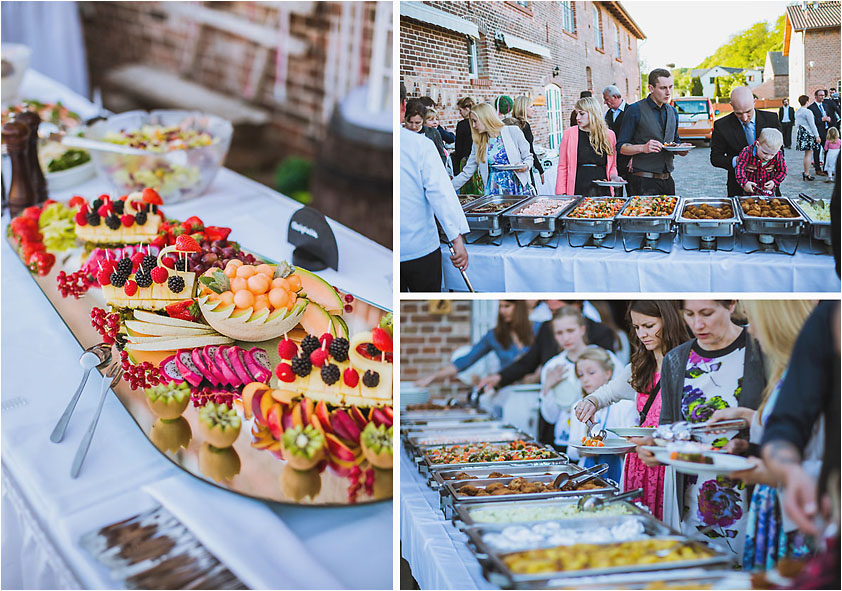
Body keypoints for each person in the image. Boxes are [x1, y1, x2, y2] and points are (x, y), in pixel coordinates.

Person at [633, 300, 767, 562]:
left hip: (754, 487)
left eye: (707, 314)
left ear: (731, 305)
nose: (698, 324)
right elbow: (670, 427)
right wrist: (653, 445)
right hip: (694, 495)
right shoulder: (676, 359)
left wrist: (751, 427)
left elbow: (785, 416)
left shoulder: (760, 348)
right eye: (690, 314)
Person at [701, 301, 817, 571]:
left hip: (798, 511)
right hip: (774, 507)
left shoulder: (817, 373)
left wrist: (775, 473)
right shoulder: (788, 369)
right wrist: (746, 428)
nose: (751, 331)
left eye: (755, 320)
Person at [575, 301, 691, 519]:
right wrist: (590, 402)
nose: (642, 334)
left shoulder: (688, 364)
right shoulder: (639, 366)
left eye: (648, 326)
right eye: (637, 328)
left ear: (668, 322)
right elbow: (607, 393)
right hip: (639, 461)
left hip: (669, 461)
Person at [399, 82, 469, 292]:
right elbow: (440, 194)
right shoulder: (419, 145)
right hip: (419, 248)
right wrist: (457, 238)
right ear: (403, 107)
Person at [476, 300, 618, 398]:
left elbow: (608, 372)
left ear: (575, 306)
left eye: (557, 311)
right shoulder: (546, 329)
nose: (565, 337)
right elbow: (528, 362)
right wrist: (499, 377)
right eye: (559, 333)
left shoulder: (601, 332)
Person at [539, 307, 622, 447]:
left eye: (570, 331)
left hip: (604, 440)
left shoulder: (605, 357)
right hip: (565, 440)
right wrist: (547, 387)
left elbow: (622, 397)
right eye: (559, 333)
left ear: (582, 329)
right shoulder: (552, 366)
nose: (565, 338)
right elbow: (550, 417)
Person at [414, 301, 538, 388]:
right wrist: (433, 377)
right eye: (500, 306)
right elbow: (465, 361)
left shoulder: (539, 328)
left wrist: (537, 374)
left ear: (519, 308)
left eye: (507, 306)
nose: (502, 311)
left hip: (538, 390)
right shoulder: (494, 336)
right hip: (509, 390)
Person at [617, 69, 690, 195]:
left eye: (670, 87)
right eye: (663, 88)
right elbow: (621, 147)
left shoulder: (673, 112)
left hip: (668, 180)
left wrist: (680, 148)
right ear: (651, 88)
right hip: (642, 181)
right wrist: (643, 148)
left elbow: (674, 141)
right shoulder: (634, 110)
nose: (668, 92)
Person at [710, 86, 783, 196]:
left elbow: (780, 149)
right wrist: (737, 161)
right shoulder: (722, 125)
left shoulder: (771, 118)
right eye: (738, 113)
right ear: (731, 105)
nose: (744, 118)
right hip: (738, 188)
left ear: (754, 102)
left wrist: (773, 163)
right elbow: (715, 158)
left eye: (748, 112)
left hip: (768, 186)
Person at [451, 103, 533, 196]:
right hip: (495, 190)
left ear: (485, 118)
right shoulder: (478, 142)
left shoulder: (513, 131)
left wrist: (525, 166)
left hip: (517, 186)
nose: (473, 126)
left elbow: (529, 157)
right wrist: (447, 188)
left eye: (475, 121)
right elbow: (467, 172)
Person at [555, 96, 621, 197]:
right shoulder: (569, 133)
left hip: (602, 188)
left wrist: (614, 176)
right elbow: (562, 166)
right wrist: (561, 193)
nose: (577, 118)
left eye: (581, 114)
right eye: (577, 113)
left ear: (593, 113)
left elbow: (612, 165)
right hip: (578, 185)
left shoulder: (609, 135)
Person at [505, 96, 545, 187]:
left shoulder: (509, 124)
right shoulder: (524, 125)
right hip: (523, 167)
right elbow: (530, 150)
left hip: (512, 167)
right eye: (531, 107)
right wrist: (540, 169)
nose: (533, 110)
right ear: (523, 108)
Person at [735, 127, 787, 196]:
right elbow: (739, 169)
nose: (768, 157)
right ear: (757, 144)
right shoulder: (747, 152)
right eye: (764, 153)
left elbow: (782, 171)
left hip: (768, 192)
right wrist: (745, 183)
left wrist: (774, 182)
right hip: (750, 191)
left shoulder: (778, 154)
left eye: (772, 154)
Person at [405, 98, 448, 167]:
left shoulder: (433, 133)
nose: (413, 126)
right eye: (410, 122)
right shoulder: (401, 134)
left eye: (417, 123)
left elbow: (441, 155)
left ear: (423, 120)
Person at [603, 85, 630, 195]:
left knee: (631, 192)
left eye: (606, 99)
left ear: (615, 96)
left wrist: (634, 159)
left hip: (628, 160)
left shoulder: (630, 111)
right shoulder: (607, 114)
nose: (605, 102)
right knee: (616, 194)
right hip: (613, 160)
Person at [795, 94, 822, 181]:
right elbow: (812, 125)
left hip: (801, 132)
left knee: (806, 154)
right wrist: (817, 136)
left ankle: (806, 172)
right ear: (807, 102)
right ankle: (806, 173)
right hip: (808, 133)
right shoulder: (807, 112)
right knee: (809, 154)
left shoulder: (798, 111)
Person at [809, 89, 836, 175]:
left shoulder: (825, 105)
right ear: (816, 96)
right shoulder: (811, 108)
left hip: (826, 131)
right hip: (817, 132)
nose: (822, 97)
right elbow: (812, 121)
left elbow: (829, 115)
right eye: (820, 95)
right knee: (816, 151)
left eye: (823, 95)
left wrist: (828, 119)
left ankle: (826, 168)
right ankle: (817, 169)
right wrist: (821, 119)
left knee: (827, 150)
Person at [452, 97, 475, 176]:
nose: (460, 113)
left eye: (460, 110)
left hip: (465, 159)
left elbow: (458, 146)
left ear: (467, 109)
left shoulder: (462, 125)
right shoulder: (479, 123)